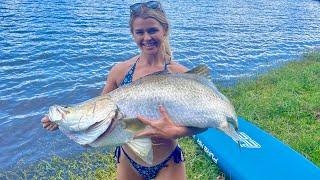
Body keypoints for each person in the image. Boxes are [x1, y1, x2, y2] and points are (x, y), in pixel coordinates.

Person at [42, 1, 206, 179]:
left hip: (169, 162)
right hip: (128, 161)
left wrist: (178, 132)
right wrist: (63, 123)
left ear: (164, 30)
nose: (147, 37)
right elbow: (99, 112)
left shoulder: (180, 74)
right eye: (140, 32)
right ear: (132, 34)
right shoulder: (120, 71)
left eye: (152, 30)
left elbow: (207, 120)